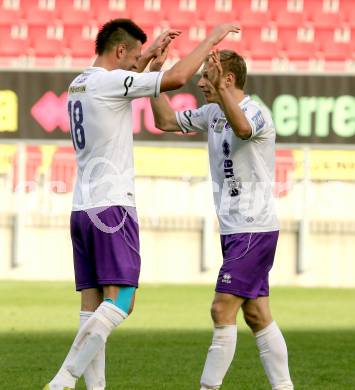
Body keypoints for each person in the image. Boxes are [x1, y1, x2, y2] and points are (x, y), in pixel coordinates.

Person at [43, 19, 240, 390]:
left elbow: (132, 71)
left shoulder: (79, 83)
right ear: (120, 51)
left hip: (82, 207)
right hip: (112, 208)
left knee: (92, 306)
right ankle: (63, 379)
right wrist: (212, 37)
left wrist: (149, 58)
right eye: (133, 55)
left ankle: (93, 387)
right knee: (124, 299)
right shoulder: (111, 82)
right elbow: (178, 79)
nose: (137, 62)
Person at [149, 49, 294, 390]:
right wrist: (153, 83)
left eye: (207, 76)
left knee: (220, 309)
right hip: (234, 231)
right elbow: (166, 121)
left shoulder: (255, 112)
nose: (200, 83)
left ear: (227, 79)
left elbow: (243, 130)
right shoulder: (213, 112)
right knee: (257, 316)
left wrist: (222, 94)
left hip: (253, 229)